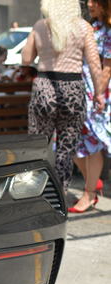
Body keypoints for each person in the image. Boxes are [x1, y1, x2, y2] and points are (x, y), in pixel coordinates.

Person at [22, 0, 105, 193]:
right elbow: (94, 64)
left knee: (37, 145)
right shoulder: (84, 27)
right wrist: (99, 95)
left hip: (44, 87)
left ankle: (33, 191)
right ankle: (58, 193)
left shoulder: (41, 26)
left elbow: (26, 59)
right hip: (73, 91)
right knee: (66, 150)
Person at [70, 0, 111, 212]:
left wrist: (97, 94)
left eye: (95, 1)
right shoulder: (92, 27)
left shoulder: (108, 32)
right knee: (69, 143)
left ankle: (89, 194)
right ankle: (92, 184)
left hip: (98, 95)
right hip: (80, 92)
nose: (90, 3)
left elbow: (107, 69)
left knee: (93, 144)